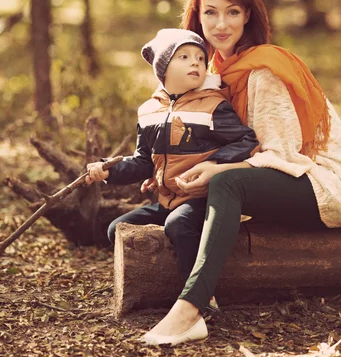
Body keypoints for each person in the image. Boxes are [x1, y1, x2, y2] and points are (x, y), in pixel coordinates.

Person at [139, 0, 341, 346]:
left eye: (232, 12)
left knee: (227, 181)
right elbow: (219, 142)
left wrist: (218, 168)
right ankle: (202, 293)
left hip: (326, 183)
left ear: (248, 15)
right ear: (196, 17)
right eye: (209, 12)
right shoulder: (212, 71)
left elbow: (282, 154)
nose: (221, 23)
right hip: (275, 175)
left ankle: (191, 309)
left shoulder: (263, 70)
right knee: (199, 198)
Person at [86, 28, 259, 318]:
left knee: (178, 225)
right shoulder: (149, 112)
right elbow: (143, 162)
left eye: (201, 59)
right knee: (116, 229)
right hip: (166, 199)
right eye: (184, 57)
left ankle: (203, 297)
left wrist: (216, 163)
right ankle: (164, 275)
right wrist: (108, 171)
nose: (195, 63)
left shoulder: (213, 106)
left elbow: (246, 140)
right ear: (163, 68)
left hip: (201, 197)